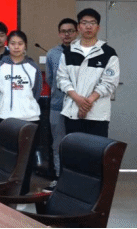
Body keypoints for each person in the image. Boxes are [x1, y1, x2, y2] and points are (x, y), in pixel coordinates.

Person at [0, 30, 42, 195]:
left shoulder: (32, 67)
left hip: (29, 119)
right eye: (13, 43)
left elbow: (37, 91)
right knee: (5, 157)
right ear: (8, 45)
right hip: (4, 118)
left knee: (26, 158)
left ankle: (22, 192)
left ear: (25, 46)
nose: (16, 47)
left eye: (20, 44)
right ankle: (3, 190)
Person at [57, 8, 119, 138]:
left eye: (92, 23)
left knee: (96, 149)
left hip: (98, 114)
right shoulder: (68, 52)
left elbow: (109, 83)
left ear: (98, 27)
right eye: (84, 23)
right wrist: (78, 99)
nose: (88, 26)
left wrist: (87, 102)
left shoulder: (108, 53)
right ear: (79, 27)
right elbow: (62, 79)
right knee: (73, 149)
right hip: (72, 112)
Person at [45, 17, 78, 181]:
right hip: (57, 106)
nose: (67, 34)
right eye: (63, 31)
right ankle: (59, 178)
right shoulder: (52, 54)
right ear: (59, 34)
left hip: (78, 106)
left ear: (76, 32)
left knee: (77, 145)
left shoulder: (83, 52)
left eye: (70, 31)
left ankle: (75, 180)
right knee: (58, 144)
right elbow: (50, 79)